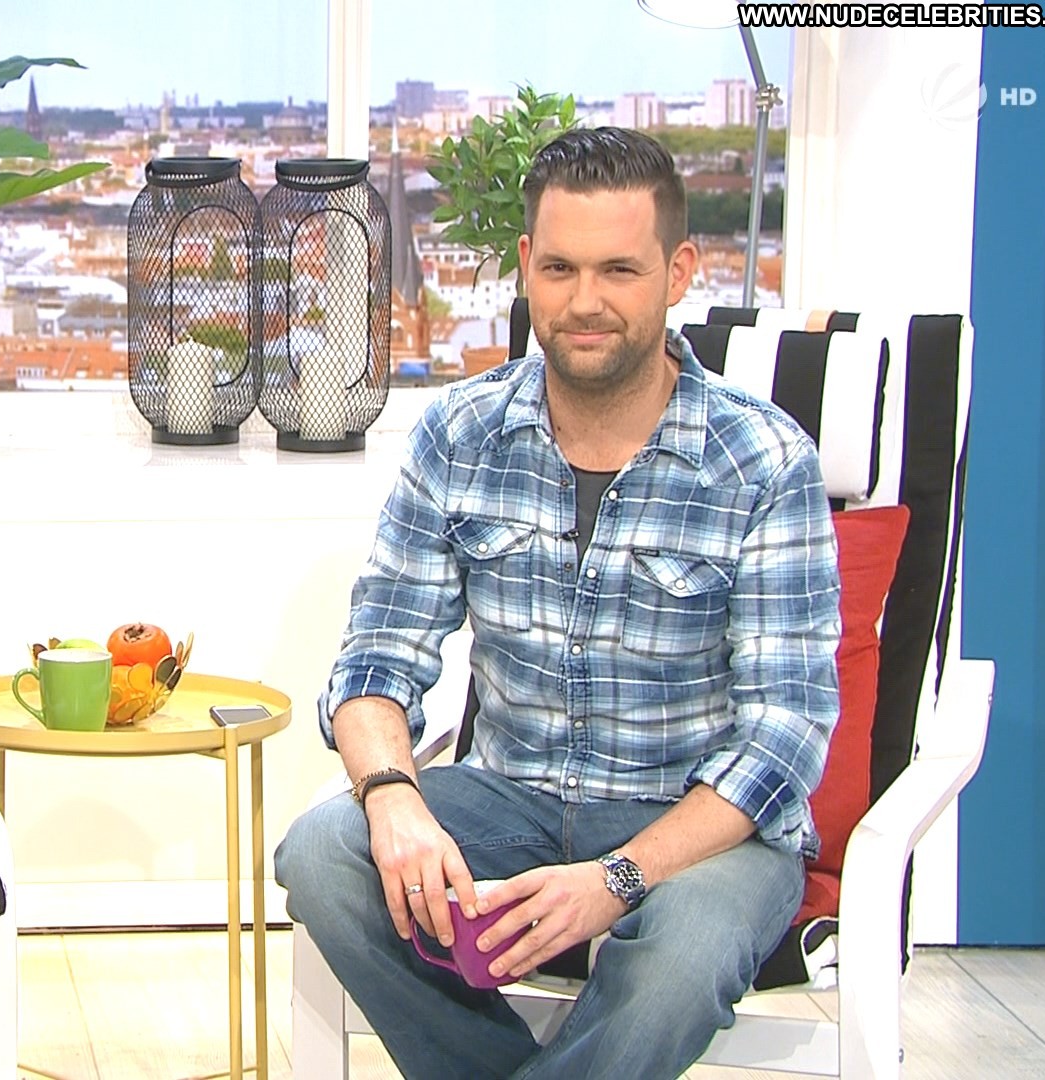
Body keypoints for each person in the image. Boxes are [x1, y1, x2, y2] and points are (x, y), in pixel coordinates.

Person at [274, 127, 841, 1079]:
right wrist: (393, 797)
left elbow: (784, 735)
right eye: (562, 269)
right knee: (324, 853)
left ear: (678, 272)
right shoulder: (460, 433)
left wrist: (620, 876)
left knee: (682, 959)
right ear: (527, 265)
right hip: (510, 799)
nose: (585, 302)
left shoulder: (765, 461)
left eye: (620, 270)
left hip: (699, 826)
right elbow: (376, 659)